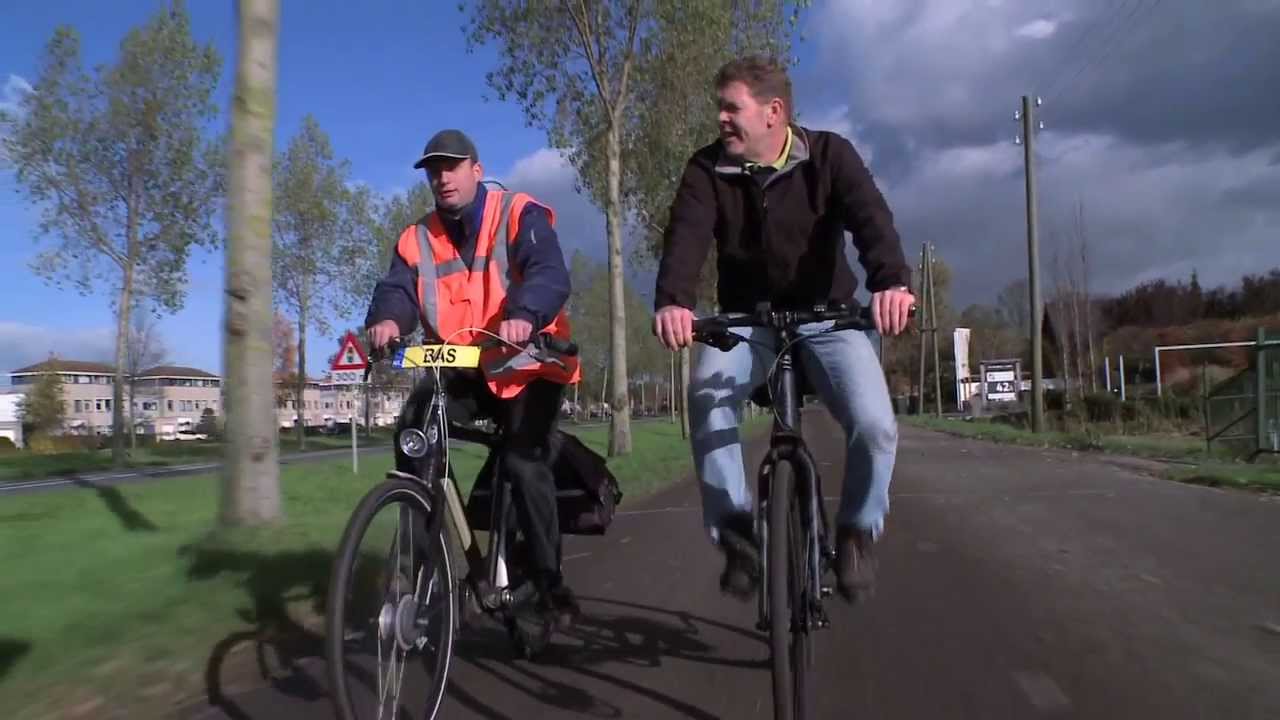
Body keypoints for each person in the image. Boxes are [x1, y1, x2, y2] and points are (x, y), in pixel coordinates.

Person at [652, 56, 915, 603]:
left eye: (732, 108)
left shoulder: (829, 156)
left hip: (829, 319)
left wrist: (891, 283)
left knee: (875, 425)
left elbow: (871, 219)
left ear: (774, 113)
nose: (721, 118)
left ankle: (857, 532)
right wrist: (674, 301)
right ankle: (737, 534)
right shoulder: (706, 170)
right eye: (719, 107)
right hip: (747, 323)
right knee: (706, 397)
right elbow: (687, 238)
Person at [364, 128, 582, 627]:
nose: (442, 177)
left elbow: (548, 270)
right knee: (414, 430)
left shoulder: (516, 213)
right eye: (433, 170)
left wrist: (525, 313)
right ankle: (429, 563)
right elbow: (397, 289)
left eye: (452, 166)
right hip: (467, 368)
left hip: (531, 364)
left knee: (524, 459)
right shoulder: (416, 238)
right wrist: (388, 321)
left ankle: (550, 583)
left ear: (476, 171)